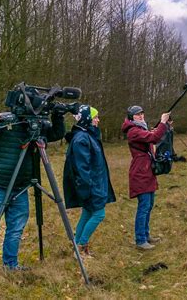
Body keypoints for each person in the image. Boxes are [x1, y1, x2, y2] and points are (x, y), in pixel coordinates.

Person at [0, 110, 66, 282]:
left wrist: (58, 116)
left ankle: (10, 264)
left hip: (21, 187)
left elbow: (57, 134)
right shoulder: (6, 120)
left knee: (15, 230)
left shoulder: (37, 125)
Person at [63, 105, 116, 258]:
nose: (98, 120)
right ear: (87, 119)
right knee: (99, 214)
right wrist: (87, 188)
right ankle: (81, 246)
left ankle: (76, 248)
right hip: (91, 186)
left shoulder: (88, 135)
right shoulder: (81, 139)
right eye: (95, 117)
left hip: (96, 183)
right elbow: (81, 168)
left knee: (87, 214)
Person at [121, 106, 170, 250]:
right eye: (137, 115)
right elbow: (154, 139)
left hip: (147, 172)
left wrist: (154, 130)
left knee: (149, 206)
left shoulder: (141, 129)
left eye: (142, 113)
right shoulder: (133, 131)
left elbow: (150, 136)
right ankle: (140, 240)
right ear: (131, 118)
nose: (141, 116)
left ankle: (146, 235)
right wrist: (162, 123)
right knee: (143, 207)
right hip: (140, 173)